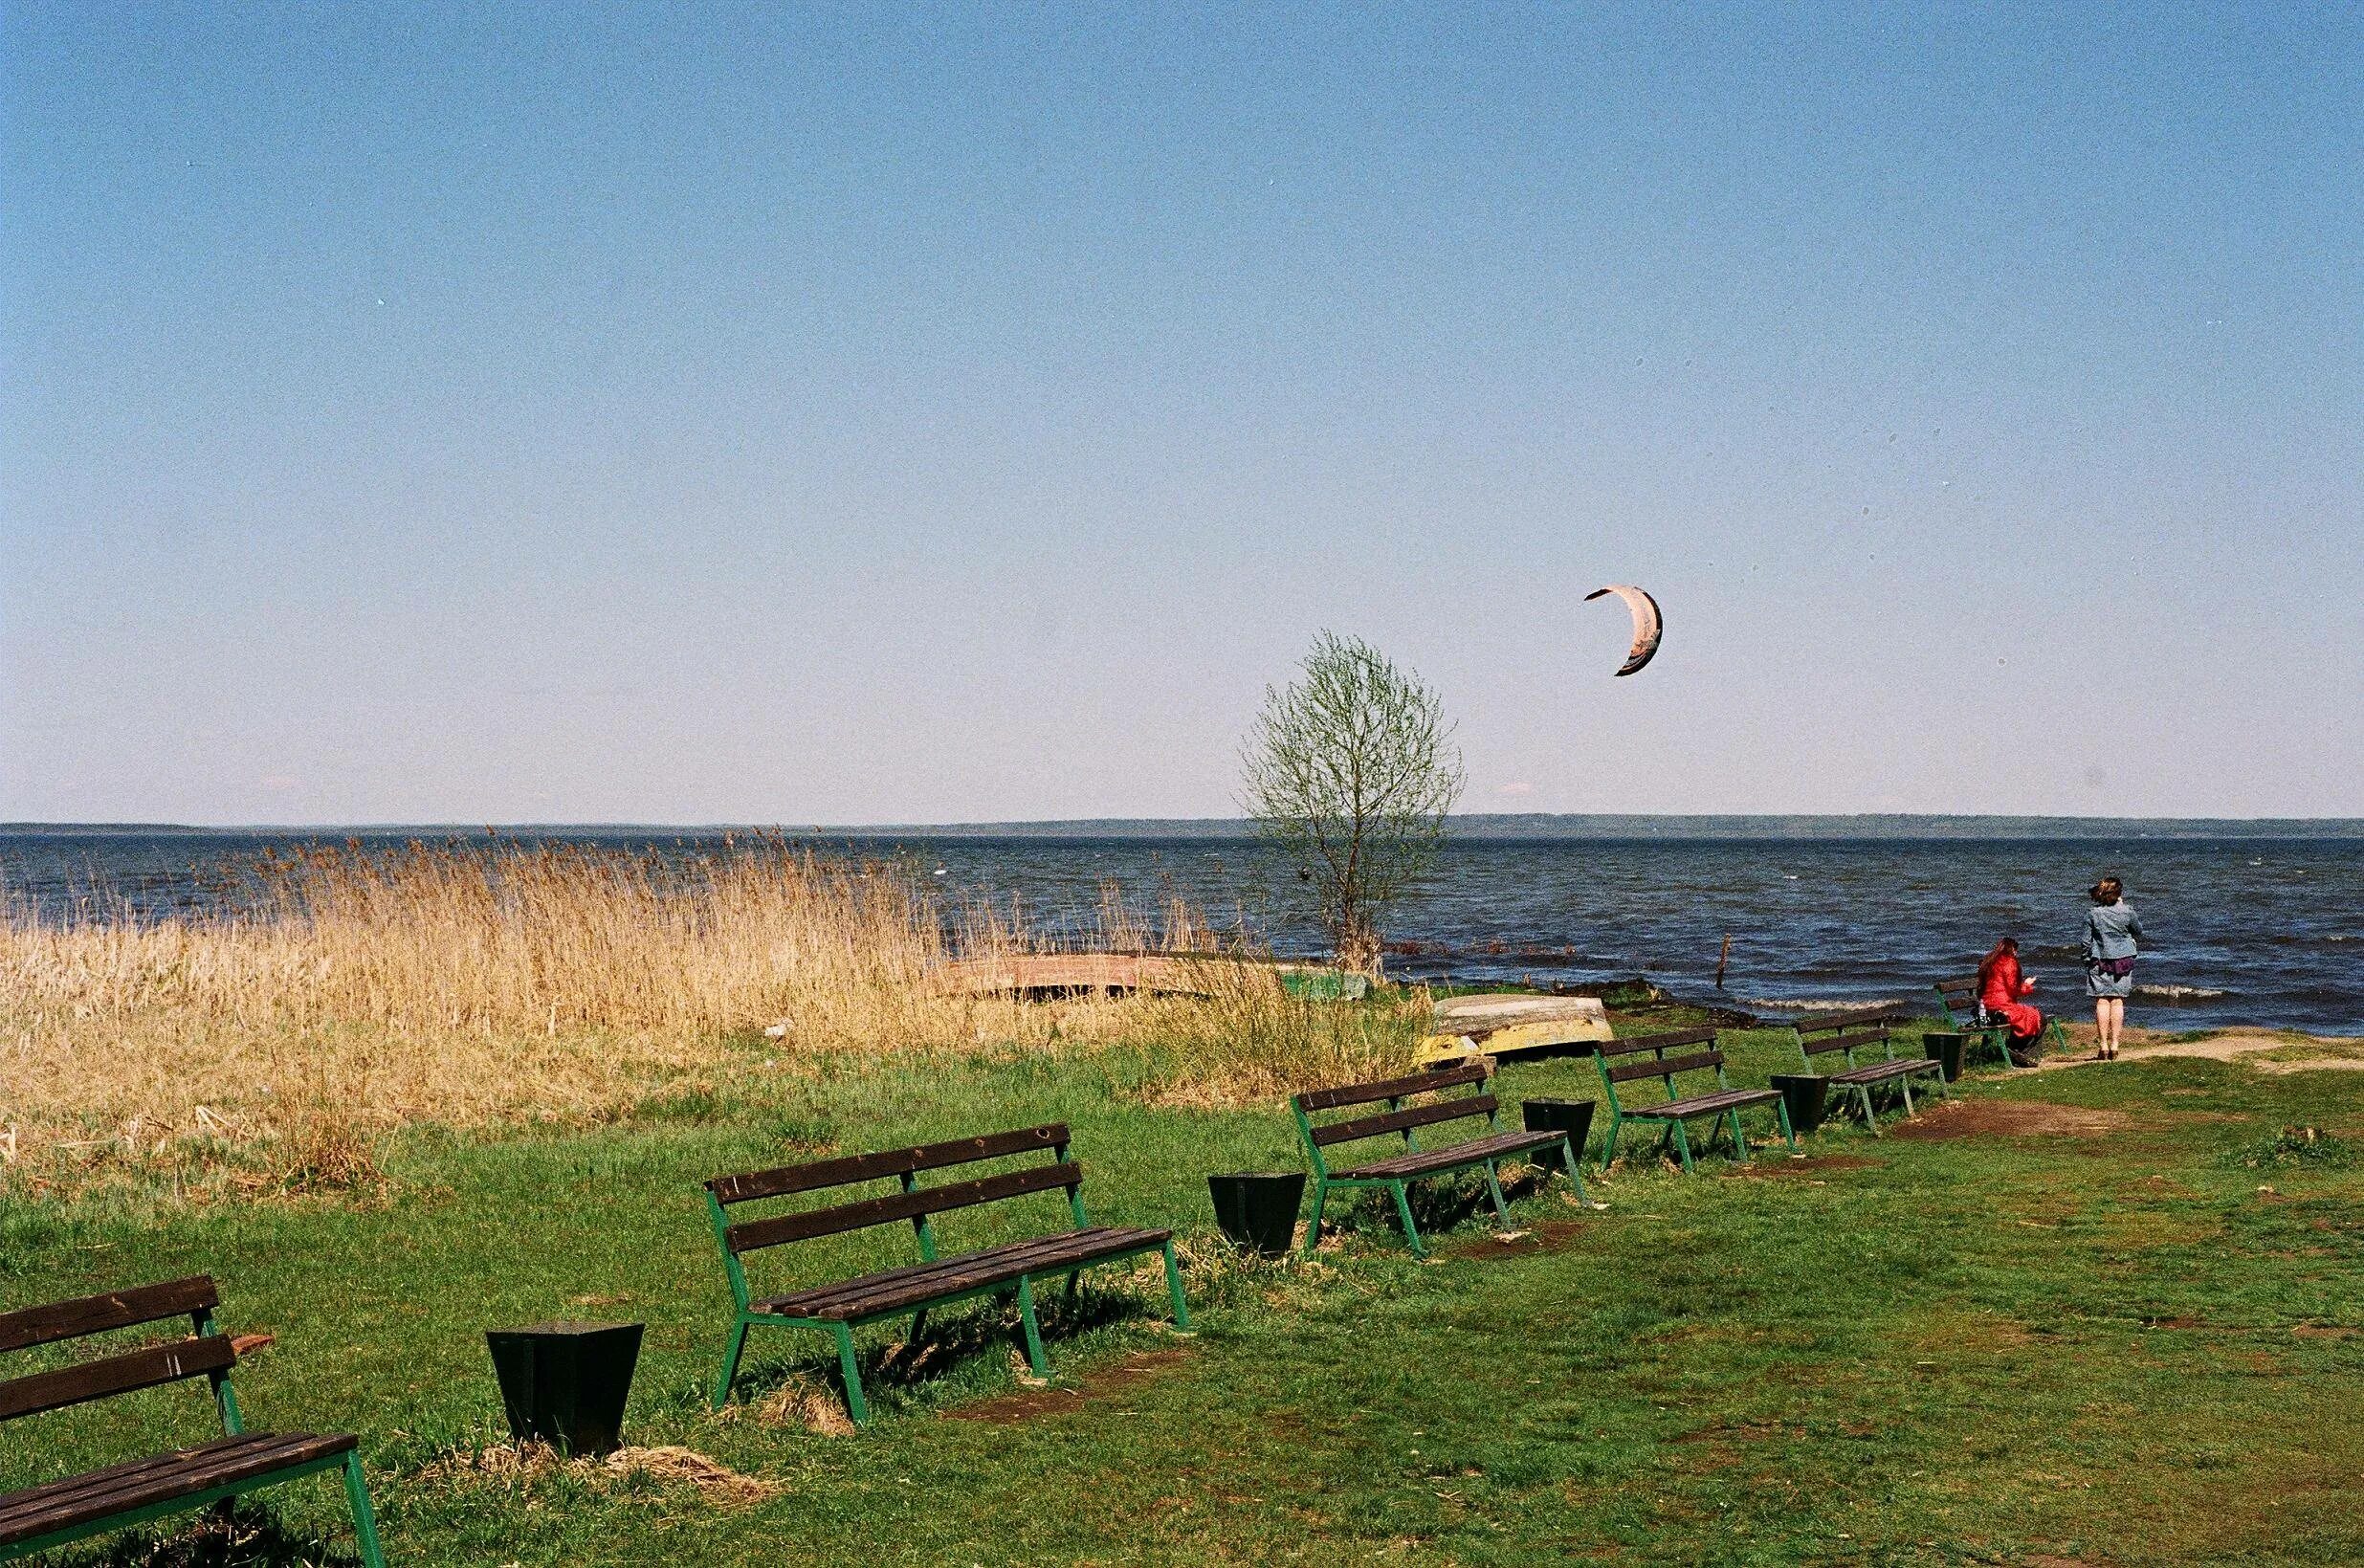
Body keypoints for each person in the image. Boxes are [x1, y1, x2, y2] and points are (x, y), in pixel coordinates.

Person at [2084, 875, 2141, 1061]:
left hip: (2100, 959)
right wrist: (2122, 907)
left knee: (2102, 1001)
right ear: (2118, 893)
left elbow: (2085, 941)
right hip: (2123, 959)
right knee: (2117, 1001)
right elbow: (2138, 930)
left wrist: (2086, 959)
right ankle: (2115, 1045)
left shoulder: (2093, 913)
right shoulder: (2128, 911)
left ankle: (2103, 1046)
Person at [1976, 937, 2046, 1067]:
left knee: (2027, 1015)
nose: (2016, 953)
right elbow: (2013, 989)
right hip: (2002, 1005)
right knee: (2038, 1017)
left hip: (1986, 1006)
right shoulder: (2009, 962)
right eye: (2016, 950)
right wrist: (2027, 984)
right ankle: (2018, 1052)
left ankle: (2015, 1051)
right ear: (2012, 949)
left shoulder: (1989, 961)